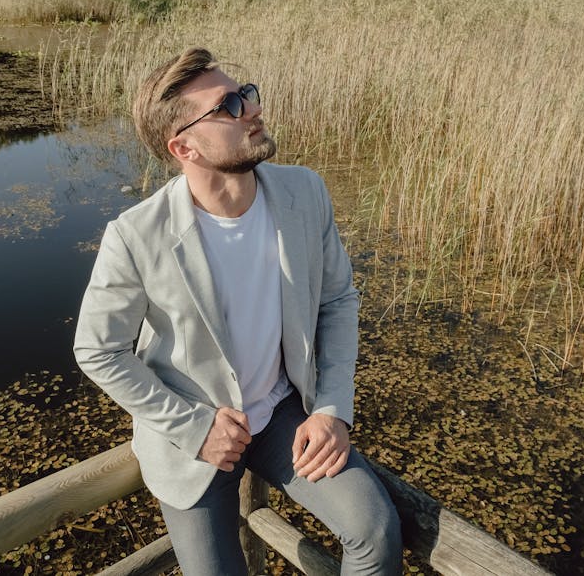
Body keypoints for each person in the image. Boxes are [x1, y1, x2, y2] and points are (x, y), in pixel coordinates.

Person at [74, 47, 402, 575]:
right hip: (193, 438)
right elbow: (97, 349)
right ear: (184, 147)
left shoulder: (305, 192)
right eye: (227, 105)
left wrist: (332, 408)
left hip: (282, 414)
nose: (251, 108)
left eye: (245, 92)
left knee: (375, 530)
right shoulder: (136, 236)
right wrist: (194, 426)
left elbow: (338, 300)